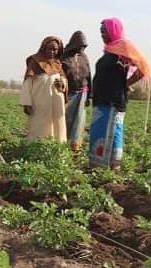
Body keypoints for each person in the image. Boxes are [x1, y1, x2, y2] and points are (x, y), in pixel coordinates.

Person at [89, 17, 150, 169]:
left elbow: (142, 67)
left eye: (105, 31)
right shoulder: (109, 50)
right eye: (101, 32)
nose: (102, 35)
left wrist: (125, 84)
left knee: (114, 130)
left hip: (114, 99)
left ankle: (112, 165)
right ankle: (99, 165)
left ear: (113, 30)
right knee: (100, 131)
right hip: (101, 99)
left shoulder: (124, 47)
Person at [19, 36, 67, 142]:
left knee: (57, 123)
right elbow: (27, 83)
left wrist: (62, 83)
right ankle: (36, 147)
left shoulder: (58, 63)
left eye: (55, 49)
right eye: (50, 48)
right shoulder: (35, 61)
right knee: (39, 125)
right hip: (40, 100)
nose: (52, 52)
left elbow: (63, 78)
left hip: (56, 101)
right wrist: (27, 103)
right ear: (44, 48)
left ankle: (56, 147)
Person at [61, 31, 92, 152]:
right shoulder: (64, 57)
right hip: (69, 93)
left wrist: (90, 95)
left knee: (79, 121)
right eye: (80, 45)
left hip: (82, 93)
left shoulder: (84, 57)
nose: (82, 48)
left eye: (84, 46)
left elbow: (89, 76)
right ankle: (63, 143)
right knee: (66, 119)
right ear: (74, 44)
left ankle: (75, 146)